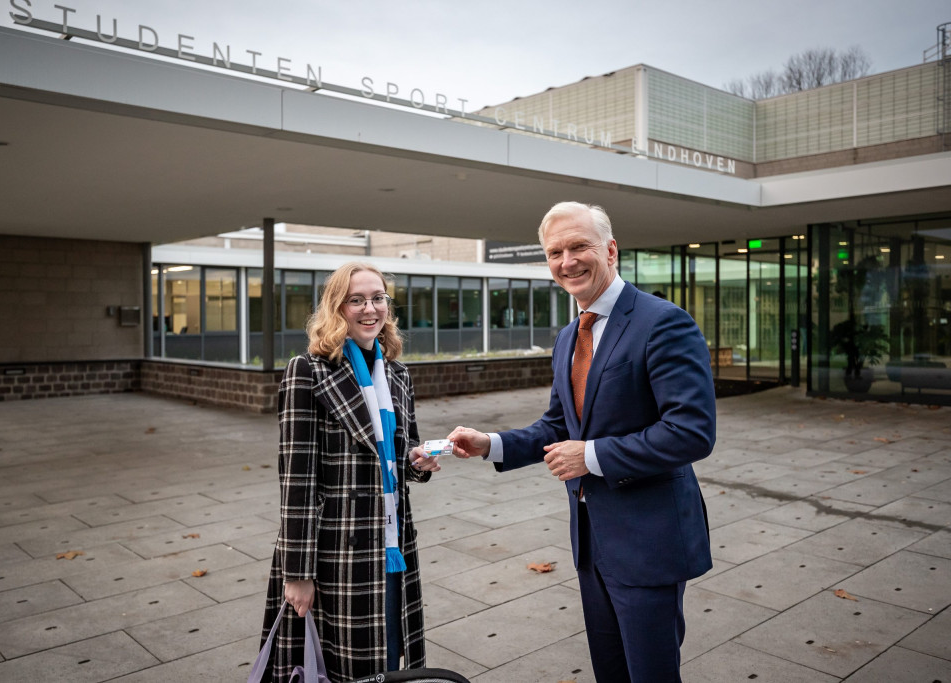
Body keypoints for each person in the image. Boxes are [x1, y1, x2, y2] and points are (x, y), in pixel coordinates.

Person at [448, 202, 715, 683]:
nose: (567, 261)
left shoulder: (663, 322)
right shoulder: (570, 334)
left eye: (579, 247)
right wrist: (490, 443)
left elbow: (690, 431)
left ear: (611, 250)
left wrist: (590, 456)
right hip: (592, 541)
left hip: (649, 541)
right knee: (610, 672)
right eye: (555, 252)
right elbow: (558, 424)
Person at [259, 262, 439, 682]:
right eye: (356, 299)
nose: (369, 308)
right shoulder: (308, 371)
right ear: (336, 307)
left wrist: (419, 462)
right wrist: (297, 572)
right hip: (336, 552)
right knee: (344, 669)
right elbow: (297, 482)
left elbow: (402, 454)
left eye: (377, 298)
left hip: (393, 545)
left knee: (390, 660)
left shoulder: (396, 373)